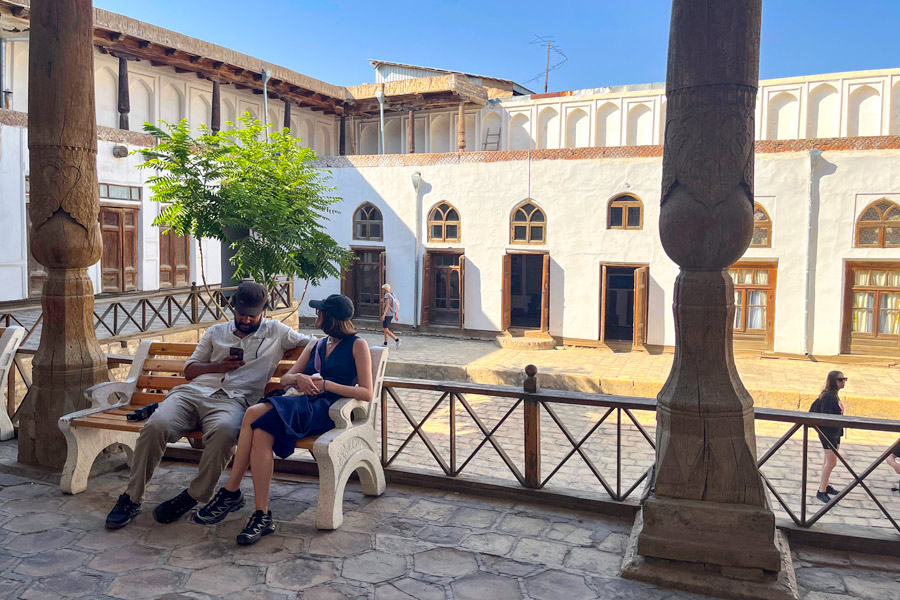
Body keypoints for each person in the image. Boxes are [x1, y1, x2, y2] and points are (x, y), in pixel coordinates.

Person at [104, 281, 312, 530]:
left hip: (235, 400)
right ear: (234, 308)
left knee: (225, 432)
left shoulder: (276, 332)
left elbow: (313, 343)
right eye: (241, 314)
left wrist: (307, 372)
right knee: (155, 425)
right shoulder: (216, 332)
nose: (245, 320)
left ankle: (194, 495)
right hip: (193, 393)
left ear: (263, 310)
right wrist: (218, 366)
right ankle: (132, 498)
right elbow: (189, 370)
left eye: (252, 315)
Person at [195, 293, 373, 545]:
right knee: (258, 429)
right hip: (298, 403)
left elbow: (366, 392)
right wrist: (300, 379)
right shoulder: (317, 345)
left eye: (320, 312)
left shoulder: (358, 345)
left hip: (324, 409)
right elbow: (286, 379)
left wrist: (327, 385)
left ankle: (232, 492)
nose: (316, 315)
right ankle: (260, 513)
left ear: (330, 318)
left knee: (254, 414)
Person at [809, 370, 847, 503]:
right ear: (833, 381)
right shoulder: (828, 396)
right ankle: (821, 491)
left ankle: (825, 485)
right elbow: (825, 418)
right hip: (828, 434)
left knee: (828, 461)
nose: (843, 382)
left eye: (844, 379)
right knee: (831, 462)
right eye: (841, 380)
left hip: (836, 433)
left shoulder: (834, 395)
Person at [380, 283, 401, 349]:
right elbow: (395, 305)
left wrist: (384, 314)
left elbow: (388, 305)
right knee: (386, 329)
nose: (382, 290)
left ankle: (397, 339)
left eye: (383, 289)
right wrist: (396, 314)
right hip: (391, 314)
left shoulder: (386, 295)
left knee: (385, 329)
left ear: (385, 289)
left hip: (388, 314)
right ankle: (385, 343)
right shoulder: (392, 294)